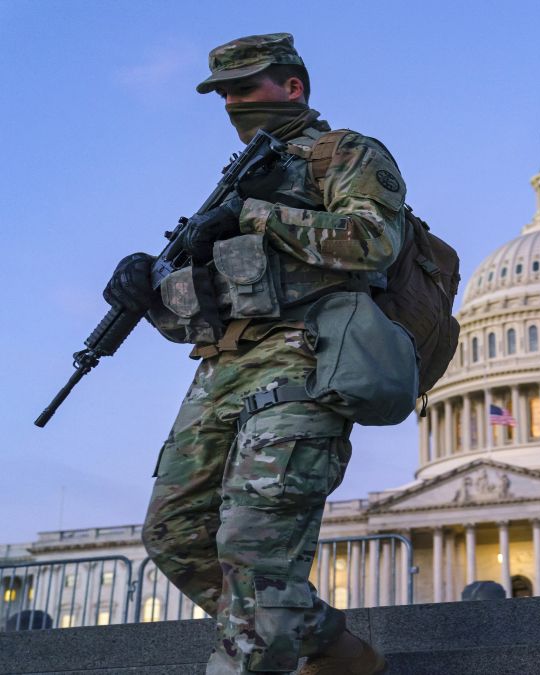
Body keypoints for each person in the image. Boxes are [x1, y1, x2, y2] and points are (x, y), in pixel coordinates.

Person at [103, 33, 405, 673]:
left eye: (245, 88)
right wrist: (149, 287)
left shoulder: (344, 153)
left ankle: (263, 648)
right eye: (223, 94)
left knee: (254, 548)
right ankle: (338, 651)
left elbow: (372, 241)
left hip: (305, 360)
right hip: (222, 372)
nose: (233, 104)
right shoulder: (233, 183)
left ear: (292, 86)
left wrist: (256, 214)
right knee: (175, 536)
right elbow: (204, 312)